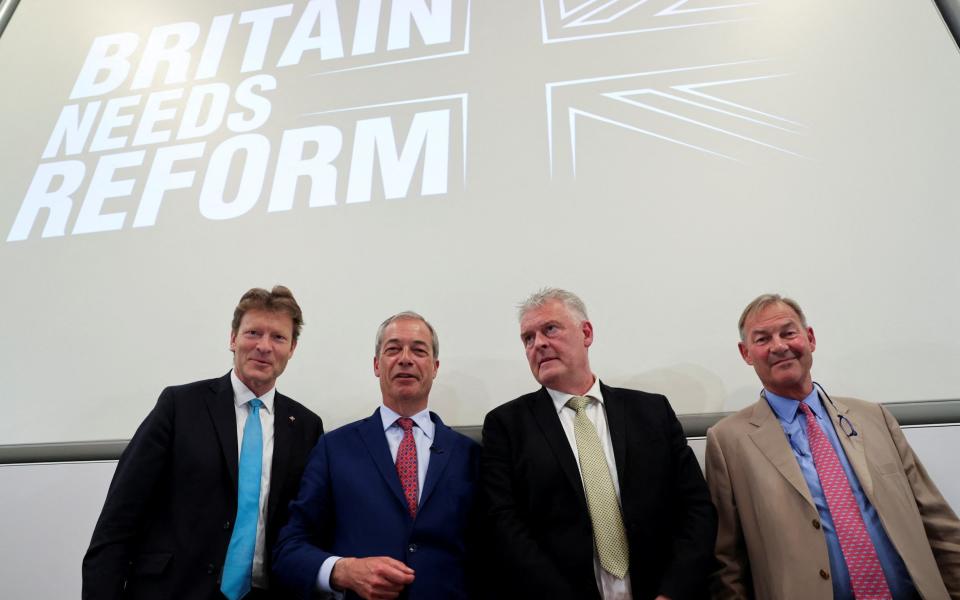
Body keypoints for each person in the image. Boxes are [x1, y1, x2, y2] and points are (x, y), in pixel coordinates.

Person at [705, 293, 960, 599]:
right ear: (746, 353)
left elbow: (936, 521)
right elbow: (727, 562)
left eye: (788, 333)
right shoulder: (728, 441)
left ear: (809, 338)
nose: (779, 346)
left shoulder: (874, 417)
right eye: (762, 339)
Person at [82, 286, 323, 600]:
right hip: (174, 591)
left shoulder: (306, 426)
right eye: (253, 333)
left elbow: (306, 527)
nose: (264, 346)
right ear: (232, 338)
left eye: (278, 337)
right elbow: (119, 518)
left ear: (292, 348)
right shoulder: (180, 406)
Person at [480, 288, 717, 600]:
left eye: (550, 329)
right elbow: (504, 527)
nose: (538, 343)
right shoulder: (506, 426)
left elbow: (696, 508)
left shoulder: (651, 412)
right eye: (528, 338)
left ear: (586, 333)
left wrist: (673, 591)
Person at [272, 311, 480, 600]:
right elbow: (289, 547)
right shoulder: (334, 449)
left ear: (434, 367)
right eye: (393, 349)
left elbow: (490, 553)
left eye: (419, 350)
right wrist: (343, 571)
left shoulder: (471, 454)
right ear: (376, 365)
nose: (405, 358)